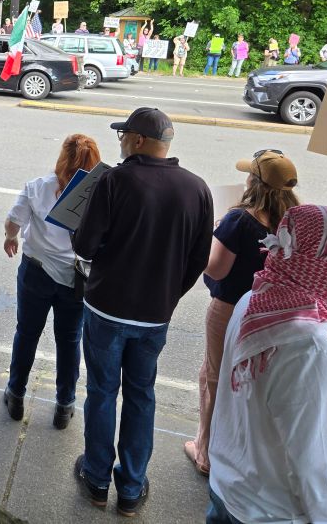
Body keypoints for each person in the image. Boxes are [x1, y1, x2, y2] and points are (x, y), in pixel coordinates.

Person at [72, 107, 212, 517]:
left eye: (123, 136)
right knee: (141, 396)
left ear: (136, 140)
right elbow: (198, 260)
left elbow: (84, 247)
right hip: (154, 316)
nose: (119, 142)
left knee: (101, 392)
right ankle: (131, 488)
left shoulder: (115, 180)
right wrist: (168, 295)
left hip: (106, 309)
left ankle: (97, 479)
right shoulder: (197, 188)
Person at [206, 205, 327, 524]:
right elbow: (314, 462)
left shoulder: (252, 302)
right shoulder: (313, 350)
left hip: (227, 490)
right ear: (319, 265)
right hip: (273, 513)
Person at [183, 149, 300, 476]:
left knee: (215, 376)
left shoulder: (239, 220)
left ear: (254, 182)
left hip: (232, 309)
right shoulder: (297, 220)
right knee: (254, 381)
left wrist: (212, 236)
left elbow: (217, 270)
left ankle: (205, 451)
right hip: (273, 312)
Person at [3, 134, 101, 430]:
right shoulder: (101, 195)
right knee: (69, 341)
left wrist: (10, 237)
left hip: (36, 271)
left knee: (27, 333)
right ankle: (64, 405)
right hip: (76, 278)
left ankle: (16, 394)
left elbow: (13, 223)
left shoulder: (38, 186)